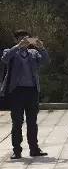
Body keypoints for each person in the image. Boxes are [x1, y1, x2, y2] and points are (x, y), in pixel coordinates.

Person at [3, 31, 48, 159]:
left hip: (32, 91)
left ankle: (34, 148)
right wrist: (18, 46)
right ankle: (16, 150)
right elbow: (5, 59)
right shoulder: (10, 51)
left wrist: (42, 48)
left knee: (32, 122)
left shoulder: (33, 53)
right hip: (16, 91)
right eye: (21, 39)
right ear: (16, 40)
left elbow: (45, 61)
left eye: (27, 38)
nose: (25, 41)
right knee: (17, 122)